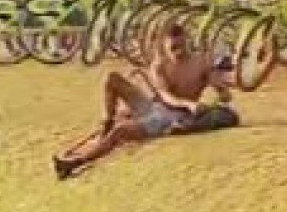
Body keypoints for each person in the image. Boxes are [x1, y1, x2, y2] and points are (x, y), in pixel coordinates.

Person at [52, 24, 239, 180]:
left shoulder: (202, 62)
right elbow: (165, 95)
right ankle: (106, 123)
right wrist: (188, 104)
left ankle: (76, 162)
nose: (179, 52)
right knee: (112, 79)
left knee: (121, 132)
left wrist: (221, 92)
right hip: (157, 105)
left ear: (188, 41)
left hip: (171, 117)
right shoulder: (159, 65)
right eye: (173, 48)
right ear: (164, 47)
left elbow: (223, 93)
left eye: (182, 46)